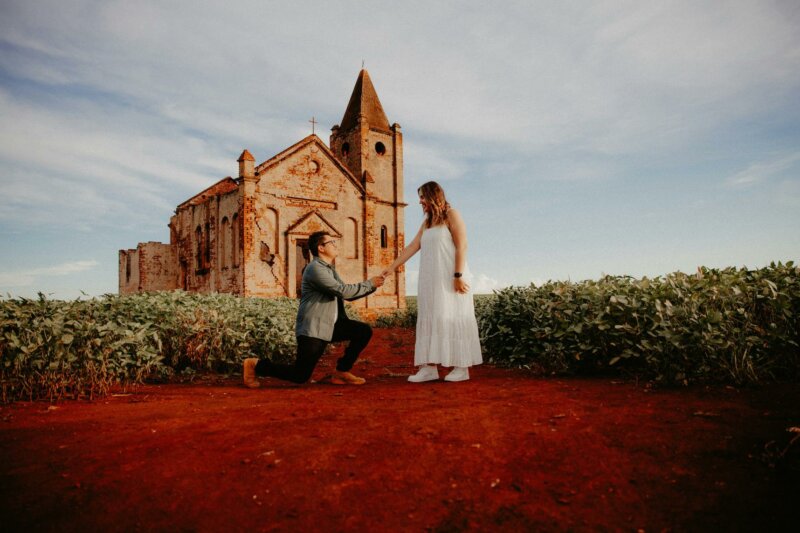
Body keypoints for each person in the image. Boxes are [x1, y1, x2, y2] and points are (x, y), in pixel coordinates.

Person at [243, 231, 385, 387]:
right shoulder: (314, 269)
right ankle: (255, 365)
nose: (335, 245)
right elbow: (343, 291)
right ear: (321, 248)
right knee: (300, 375)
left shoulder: (329, 269)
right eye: (331, 242)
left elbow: (348, 294)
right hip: (314, 327)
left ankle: (341, 372)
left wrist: (373, 285)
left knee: (363, 331)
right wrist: (370, 283)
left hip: (332, 324)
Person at [382, 181, 482, 382]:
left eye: (422, 197)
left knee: (453, 316)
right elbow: (412, 246)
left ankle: (461, 368)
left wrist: (458, 275)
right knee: (430, 316)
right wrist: (390, 268)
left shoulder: (452, 215)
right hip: (430, 279)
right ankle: (428, 368)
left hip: (451, 276)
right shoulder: (427, 222)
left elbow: (462, 246)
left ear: (433, 196)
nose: (420, 201)